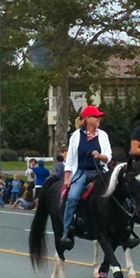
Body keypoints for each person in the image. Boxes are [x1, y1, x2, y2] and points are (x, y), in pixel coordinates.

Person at [59, 105, 112, 250]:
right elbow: (70, 159)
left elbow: (108, 156)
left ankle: (122, 225)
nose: (98, 119)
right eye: (96, 117)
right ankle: (67, 230)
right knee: (72, 198)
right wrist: (67, 178)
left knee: (115, 192)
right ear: (87, 119)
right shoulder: (76, 136)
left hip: (99, 171)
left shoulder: (103, 135)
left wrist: (100, 156)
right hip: (82, 171)